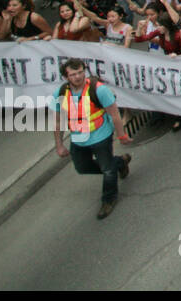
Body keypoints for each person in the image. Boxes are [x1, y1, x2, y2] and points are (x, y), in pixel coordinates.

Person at [50, 58, 132, 220]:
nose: (78, 77)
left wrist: (121, 135)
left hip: (101, 136)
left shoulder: (98, 90)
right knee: (82, 167)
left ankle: (109, 199)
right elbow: (57, 121)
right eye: (73, 74)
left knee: (107, 170)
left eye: (80, 72)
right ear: (66, 77)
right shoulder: (60, 93)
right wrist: (59, 145)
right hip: (79, 139)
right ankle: (120, 163)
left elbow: (114, 114)